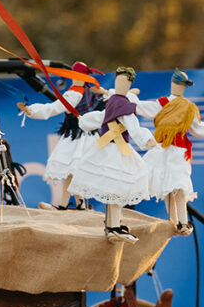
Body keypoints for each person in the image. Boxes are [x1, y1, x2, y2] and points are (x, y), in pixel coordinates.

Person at [68, 66, 152, 243]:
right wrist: (83, 121)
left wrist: (147, 140)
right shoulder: (117, 104)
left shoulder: (121, 104)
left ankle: (113, 224)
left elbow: (134, 128)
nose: (121, 84)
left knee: (116, 189)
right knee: (113, 188)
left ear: (129, 84)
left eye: (125, 82)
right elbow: (99, 118)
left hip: (114, 149)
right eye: (119, 81)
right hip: (110, 150)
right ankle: (112, 225)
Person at [16, 61, 106, 210]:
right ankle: (79, 204)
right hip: (86, 135)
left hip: (78, 136)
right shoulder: (89, 91)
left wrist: (31, 110)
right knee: (74, 171)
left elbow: (54, 108)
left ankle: (65, 205)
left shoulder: (75, 92)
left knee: (72, 171)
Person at [135, 69, 200, 236]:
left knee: (177, 185)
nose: (179, 87)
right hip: (165, 149)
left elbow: (197, 129)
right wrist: (127, 99)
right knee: (169, 186)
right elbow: (142, 108)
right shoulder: (164, 103)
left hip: (176, 150)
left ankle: (181, 221)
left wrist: (129, 99)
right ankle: (176, 222)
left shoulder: (186, 107)